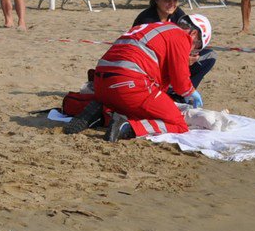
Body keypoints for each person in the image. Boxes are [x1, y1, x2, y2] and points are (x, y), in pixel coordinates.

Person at [65, 14, 211, 141]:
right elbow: (180, 83)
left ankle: (102, 115)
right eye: (197, 46)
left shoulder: (155, 27)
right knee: (179, 124)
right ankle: (128, 127)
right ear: (193, 34)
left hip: (101, 82)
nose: (193, 49)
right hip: (129, 83)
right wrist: (191, 93)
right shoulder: (181, 36)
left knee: (135, 108)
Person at [131, 0, 215, 89]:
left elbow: (184, 38)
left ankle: (182, 93)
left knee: (210, 55)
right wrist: (183, 60)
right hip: (149, 65)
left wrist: (188, 54)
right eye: (167, 0)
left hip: (172, 58)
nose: (172, 4)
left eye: (175, 0)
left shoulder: (177, 13)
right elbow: (149, 56)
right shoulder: (146, 20)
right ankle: (171, 90)